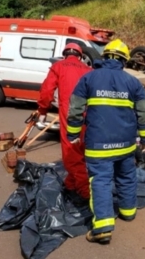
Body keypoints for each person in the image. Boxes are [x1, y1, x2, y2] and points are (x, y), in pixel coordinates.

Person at [66, 39, 145, 245]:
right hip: (126, 145)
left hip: (98, 145)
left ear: (104, 57)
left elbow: (75, 109)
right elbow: (144, 114)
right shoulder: (133, 83)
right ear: (124, 61)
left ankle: (103, 228)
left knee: (101, 182)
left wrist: (73, 134)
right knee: (126, 176)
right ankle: (128, 211)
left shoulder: (89, 78)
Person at [37, 43, 92, 201]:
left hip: (69, 116)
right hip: (88, 117)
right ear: (80, 56)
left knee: (71, 154)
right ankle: (71, 184)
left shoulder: (58, 67)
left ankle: (85, 193)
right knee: (81, 151)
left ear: (65, 54)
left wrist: (42, 110)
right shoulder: (88, 70)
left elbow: (47, 91)